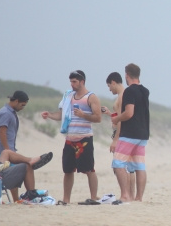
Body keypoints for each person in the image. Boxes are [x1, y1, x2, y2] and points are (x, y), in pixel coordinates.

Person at [40, 69, 102, 205]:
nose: (72, 84)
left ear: (82, 82)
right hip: (70, 139)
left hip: (84, 138)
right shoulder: (68, 97)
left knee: (89, 169)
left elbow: (98, 118)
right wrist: (49, 115)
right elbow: (61, 115)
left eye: (74, 82)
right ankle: (66, 199)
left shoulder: (91, 97)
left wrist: (83, 115)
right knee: (68, 170)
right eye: (71, 82)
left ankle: (93, 197)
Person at [0, 90, 52, 201]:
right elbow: (2, 132)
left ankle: (22, 197)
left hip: (8, 150)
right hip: (2, 152)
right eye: (22, 105)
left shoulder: (10, 112)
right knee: (19, 170)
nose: (22, 108)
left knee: (18, 171)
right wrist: (8, 151)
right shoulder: (5, 113)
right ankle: (25, 195)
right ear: (16, 101)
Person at [112, 63, 150, 203]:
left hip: (130, 133)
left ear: (127, 75)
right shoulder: (145, 91)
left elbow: (129, 113)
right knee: (139, 165)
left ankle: (125, 195)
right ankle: (138, 197)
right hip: (143, 133)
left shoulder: (129, 91)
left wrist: (116, 118)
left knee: (118, 163)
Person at [105, 72, 135, 200]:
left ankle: (126, 195)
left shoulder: (122, 96)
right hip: (127, 133)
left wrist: (116, 139)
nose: (109, 89)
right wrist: (109, 114)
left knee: (121, 166)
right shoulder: (125, 94)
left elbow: (122, 120)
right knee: (129, 166)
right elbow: (119, 116)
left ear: (113, 82)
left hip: (122, 134)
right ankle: (130, 195)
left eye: (109, 86)